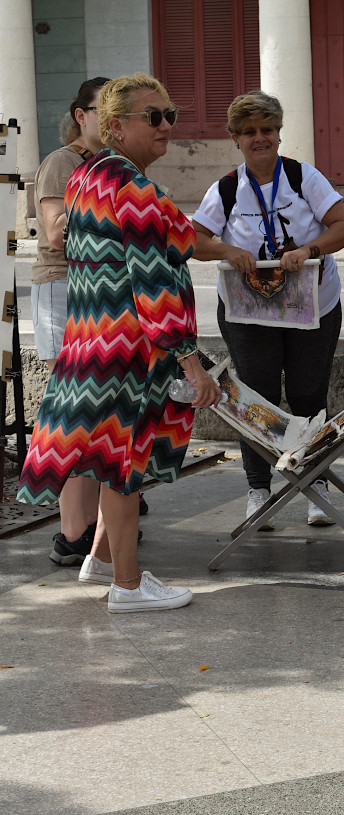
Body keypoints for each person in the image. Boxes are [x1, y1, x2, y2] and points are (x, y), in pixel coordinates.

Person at [17, 73, 222, 613]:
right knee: (125, 468)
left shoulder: (89, 177)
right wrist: (191, 362)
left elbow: (178, 234)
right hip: (128, 350)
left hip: (92, 344)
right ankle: (128, 586)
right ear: (114, 126)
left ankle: (102, 560)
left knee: (108, 461)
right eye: (152, 116)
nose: (166, 126)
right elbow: (154, 279)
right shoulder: (129, 185)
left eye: (169, 115)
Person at [192, 91, 344, 529]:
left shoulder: (304, 178)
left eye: (267, 130)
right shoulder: (226, 188)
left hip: (313, 310)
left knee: (308, 395)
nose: (259, 138)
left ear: (279, 134)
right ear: (235, 138)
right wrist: (228, 248)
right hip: (250, 316)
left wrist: (310, 249)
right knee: (257, 402)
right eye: (249, 132)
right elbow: (193, 240)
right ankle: (258, 489)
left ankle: (314, 482)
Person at [31, 78, 107, 567]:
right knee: (72, 412)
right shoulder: (64, 161)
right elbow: (57, 233)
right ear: (81, 114)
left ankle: (96, 523)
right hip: (65, 288)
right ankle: (71, 531)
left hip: (96, 292)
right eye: (106, 109)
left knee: (95, 411)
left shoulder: (108, 164)